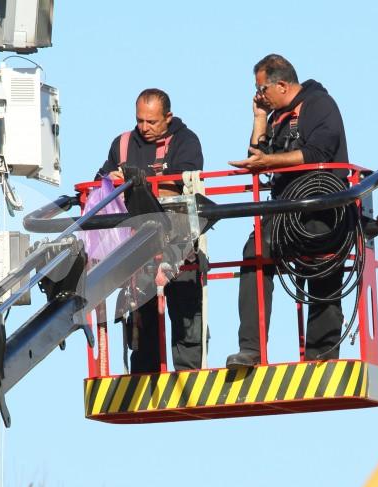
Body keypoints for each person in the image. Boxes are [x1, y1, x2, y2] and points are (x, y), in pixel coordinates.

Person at [226, 54, 349, 368]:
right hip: (283, 214)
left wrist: (268, 162)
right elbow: (258, 157)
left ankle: (321, 357)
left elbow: (318, 153)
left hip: (321, 210)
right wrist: (258, 118)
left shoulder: (320, 105)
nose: (259, 95)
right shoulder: (276, 117)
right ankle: (251, 351)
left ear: (281, 85)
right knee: (255, 250)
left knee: (321, 261)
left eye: (262, 89)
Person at [96, 88, 205, 373]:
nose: (144, 128)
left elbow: (185, 183)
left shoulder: (185, 142)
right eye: (140, 120)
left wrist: (145, 184)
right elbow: (100, 183)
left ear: (167, 117)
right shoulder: (121, 144)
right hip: (136, 248)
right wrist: (112, 180)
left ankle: (190, 374)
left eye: (152, 122)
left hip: (179, 243)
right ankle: (144, 376)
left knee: (185, 314)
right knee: (141, 321)